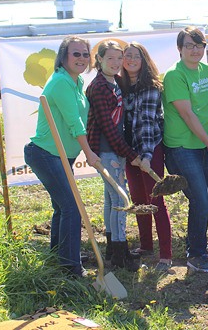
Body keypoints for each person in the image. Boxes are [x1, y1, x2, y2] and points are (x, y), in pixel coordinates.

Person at [24, 35, 99, 277]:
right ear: (64, 56)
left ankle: (62, 253)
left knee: (61, 206)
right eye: (75, 54)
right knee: (71, 207)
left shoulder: (75, 83)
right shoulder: (60, 82)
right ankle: (70, 266)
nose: (81, 58)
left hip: (61, 155)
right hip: (46, 153)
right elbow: (73, 122)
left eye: (85, 54)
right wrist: (88, 153)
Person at [162, 26, 208, 274]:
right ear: (179, 49)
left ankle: (197, 242)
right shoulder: (174, 76)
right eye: (189, 45)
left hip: (201, 145)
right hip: (181, 146)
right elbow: (187, 113)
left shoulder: (207, 71)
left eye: (200, 45)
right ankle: (196, 255)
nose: (195, 50)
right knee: (200, 198)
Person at [86, 40, 142, 272]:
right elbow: (108, 127)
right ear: (99, 60)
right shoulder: (99, 87)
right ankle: (120, 251)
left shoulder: (116, 82)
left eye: (119, 58)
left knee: (111, 198)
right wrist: (131, 155)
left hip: (115, 148)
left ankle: (112, 248)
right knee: (120, 199)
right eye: (110, 58)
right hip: (106, 149)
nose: (116, 63)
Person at [119, 42, 173, 272]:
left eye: (136, 56)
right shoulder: (120, 85)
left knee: (155, 200)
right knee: (139, 199)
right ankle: (146, 245)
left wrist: (147, 156)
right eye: (127, 56)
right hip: (130, 152)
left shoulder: (150, 86)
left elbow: (147, 123)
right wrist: (130, 155)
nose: (131, 60)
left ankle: (166, 255)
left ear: (144, 61)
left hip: (150, 149)